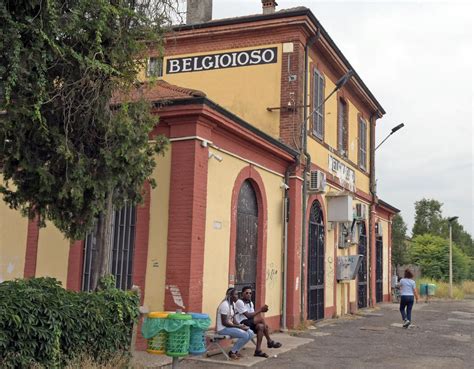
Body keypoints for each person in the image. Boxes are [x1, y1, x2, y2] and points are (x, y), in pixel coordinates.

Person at [234, 286, 282, 358]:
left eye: (250, 293)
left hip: (248, 322)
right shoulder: (239, 302)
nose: (249, 294)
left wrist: (259, 317)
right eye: (246, 293)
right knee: (261, 319)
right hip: (241, 323)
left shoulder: (250, 303)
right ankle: (269, 341)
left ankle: (258, 351)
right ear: (242, 294)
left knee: (261, 326)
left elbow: (252, 317)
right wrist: (261, 310)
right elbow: (248, 316)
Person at [216, 287, 255, 360]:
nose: (237, 296)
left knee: (250, 333)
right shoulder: (224, 305)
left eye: (237, 294)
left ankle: (236, 350)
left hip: (230, 327)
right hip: (223, 329)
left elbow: (233, 318)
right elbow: (225, 323)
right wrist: (239, 327)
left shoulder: (233, 304)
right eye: (236, 294)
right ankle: (232, 352)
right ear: (230, 296)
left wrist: (240, 325)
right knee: (245, 335)